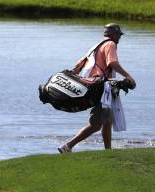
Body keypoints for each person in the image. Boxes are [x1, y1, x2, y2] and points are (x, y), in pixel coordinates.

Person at [58, 24, 136, 153]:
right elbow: (112, 63)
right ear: (113, 34)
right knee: (96, 124)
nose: (120, 37)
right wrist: (128, 76)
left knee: (108, 119)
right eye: (119, 35)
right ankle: (68, 146)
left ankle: (108, 151)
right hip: (101, 88)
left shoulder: (98, 45)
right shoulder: (110, 44)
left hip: (95, 85)